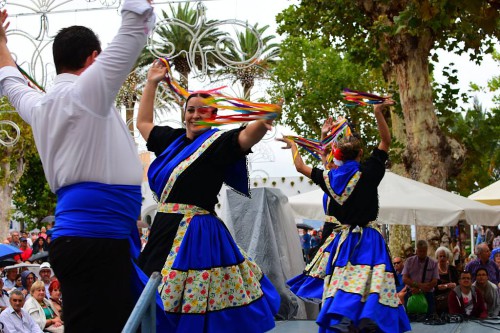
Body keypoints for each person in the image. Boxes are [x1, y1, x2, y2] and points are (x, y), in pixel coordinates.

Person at [0, 1, 154, 332]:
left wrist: (1, 43)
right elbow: (131, 31)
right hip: (95, 242)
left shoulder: (39, 105)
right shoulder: (88, 92)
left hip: (89, 240)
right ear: (93, 60)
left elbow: (9, 81)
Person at [136, 59, 280, 332]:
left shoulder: (218, 143)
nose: (194, 116)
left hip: (195, 233)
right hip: (163, 228)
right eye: (190, 110)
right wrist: (152, 82)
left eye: (203, 111)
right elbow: (143, 122)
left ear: (214, 115)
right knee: (147, 289)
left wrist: (265, 118)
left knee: (193, 299)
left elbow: (248, 136)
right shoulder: (171, 140)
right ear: (184, 113)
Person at [280, 99, 410, 332]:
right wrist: (377, 111)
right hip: (369, 241)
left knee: (341, 283)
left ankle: (343, 320)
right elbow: (386, 141)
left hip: (342, 241)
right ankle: (370, 319)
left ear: (337, 156)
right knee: (372, 283)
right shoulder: (370, 171)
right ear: (361, 153)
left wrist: (293, 146)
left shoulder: (332, 178)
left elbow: (301, 167)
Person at [403, 240, 439, 317]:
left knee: (429, 318)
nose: (422, 253)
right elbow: (404, 278)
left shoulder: (433, 263)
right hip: (411, 294)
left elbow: (434, 281)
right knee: (411, 319)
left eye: (424, 251)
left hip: (428, 295)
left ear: (427, 251)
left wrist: (420, 289)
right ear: (416, 251)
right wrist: (418, 285)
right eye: (420, 251)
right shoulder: (409, 261)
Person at [434, 246, 458, 314]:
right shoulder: (434, 270)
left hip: (452, 299)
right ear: (437, 258)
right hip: (438, 300)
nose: (442, 258)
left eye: (444, 256)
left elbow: (459, 282)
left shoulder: (452, 269)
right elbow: (431, 285)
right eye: (440, 256)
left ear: (447, 258)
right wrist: (438, 287)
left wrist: (454, 284)